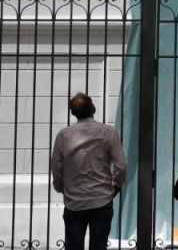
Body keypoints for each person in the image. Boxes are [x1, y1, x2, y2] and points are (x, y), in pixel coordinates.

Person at [50, 93, 127, 250]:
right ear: (93, 108)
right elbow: (121, 165)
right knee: (99, 246)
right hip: (101, 199)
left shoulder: (64, 135)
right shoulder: (108, 132)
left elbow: (56, 168)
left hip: (74, 201)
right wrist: (116, 186)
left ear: (73, 113)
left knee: (73, 245)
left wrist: (61, 188)